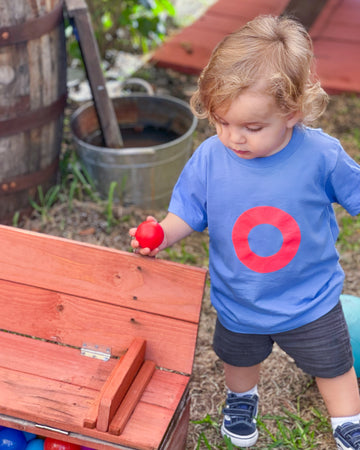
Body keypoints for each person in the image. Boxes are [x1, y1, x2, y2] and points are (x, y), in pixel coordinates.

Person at [129, 15, 360, 449]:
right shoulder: (210, 158)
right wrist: (160, 235)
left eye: (252, 127)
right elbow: (188, 212)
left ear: (291, 113)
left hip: (310, 298)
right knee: (238, 358)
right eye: (222, 122)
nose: (234, 137)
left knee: (333, 363)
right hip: (240, 297)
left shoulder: (320, 156)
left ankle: (348, 420)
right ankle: (241, 399)